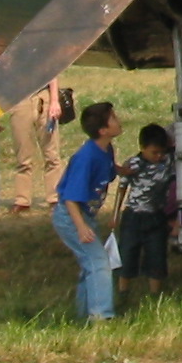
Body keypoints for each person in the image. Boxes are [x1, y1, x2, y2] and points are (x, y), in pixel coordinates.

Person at [53, 102, 122, 322]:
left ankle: (83, 316)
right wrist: (81, 228)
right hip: (71, 215)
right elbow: (71, 198)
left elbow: (110, 169)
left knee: (89, 265)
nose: (118, 120)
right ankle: (102, 316)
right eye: (113, 118)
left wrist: (124, 170)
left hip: (85, 215)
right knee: (99, 262)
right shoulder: (86, 157)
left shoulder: (106, 149)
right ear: (103, 130)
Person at [0, 39, 61, 213]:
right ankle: (22, 199)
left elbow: (52, 70)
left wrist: (54, 101)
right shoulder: (6, 44)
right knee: (23, 154)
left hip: (43, 97)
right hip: (19, 98)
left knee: (51, 153)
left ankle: (54, 197)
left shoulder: (41, 41)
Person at [113, 123, 172, 298]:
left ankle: (155, 292)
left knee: (157, 253)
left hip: (156, 215)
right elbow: (122, 188)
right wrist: (115, 213)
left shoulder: (168, 163)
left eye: (161, 152)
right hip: (134, 215)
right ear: (143, 148)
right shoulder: (133, 164)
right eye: (154, 152)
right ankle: (123, 291)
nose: (158, 156)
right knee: (127, 252)